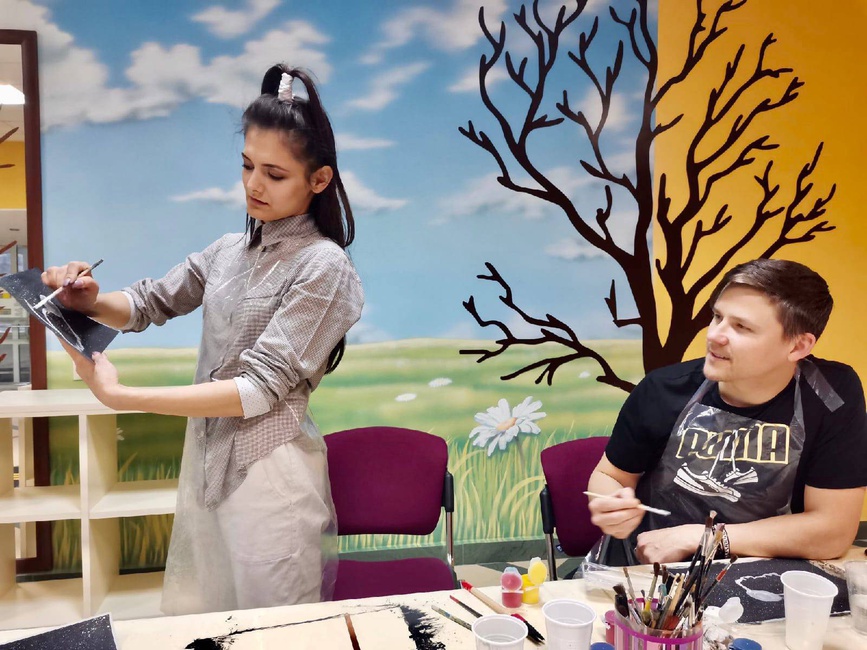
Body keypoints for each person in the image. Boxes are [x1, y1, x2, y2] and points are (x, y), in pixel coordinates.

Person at [42, 64, 364, 614]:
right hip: (209, 461)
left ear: (319, 180)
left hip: (271, 473)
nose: (253, 185)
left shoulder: (323, 266)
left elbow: (257, 388)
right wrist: (88, 298)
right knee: (214, 617)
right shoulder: (228, 252)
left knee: (276, 630)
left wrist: (123, 396)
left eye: (274, 174)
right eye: (246, 165)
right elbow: (148, 302)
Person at [587, 258, 867, 565]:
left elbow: (833, 531)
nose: (714, 336)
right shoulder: (662, 389)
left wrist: (705, 538)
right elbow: (610, 475)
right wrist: (610, 502)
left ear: (798, 347)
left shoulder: (831, 395)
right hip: (652, 568)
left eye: (741, 327)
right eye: (717, 317)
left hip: (763, 569)